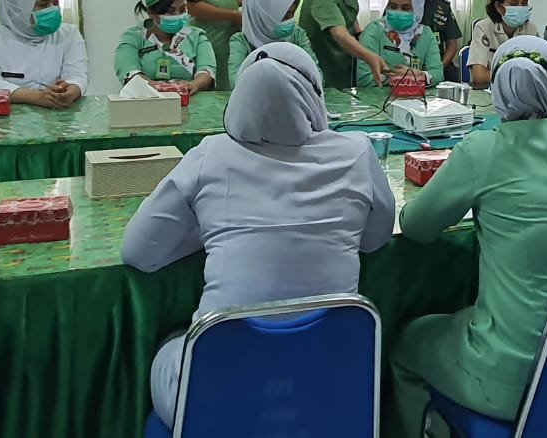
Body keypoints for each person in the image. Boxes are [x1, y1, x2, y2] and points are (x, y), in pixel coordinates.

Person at [122, 43, 395, 429]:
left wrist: (210, 227)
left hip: (224, 398)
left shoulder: (209, 155)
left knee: (173, 348)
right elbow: (376, 238)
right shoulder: (355, 153)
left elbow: (138, 252)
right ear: (314, 95)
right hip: (329, 387)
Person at [392, 36, 547, 435]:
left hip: (510, 378)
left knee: (409, 344)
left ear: (497, 92)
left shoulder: (482, 151)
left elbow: (416, 227)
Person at [0, 0, 89, 109]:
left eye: (55, 2)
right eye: (43, 5)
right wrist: (36, 97)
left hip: (57, 116)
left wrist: (70, 91)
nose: (53, 9)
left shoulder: (69, 34)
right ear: (18, 10)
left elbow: (77, 76)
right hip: (7, 118)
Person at [114, 0, 217, 93]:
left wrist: (193, 85)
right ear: (151, 13)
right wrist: (154, 86)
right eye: (171, 11)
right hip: (145, 101)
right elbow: (128, 71)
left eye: (183, 9)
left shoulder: (196, 36)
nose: (178, 15)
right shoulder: (133, 37)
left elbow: (207, 70)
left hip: (189, 100)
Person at [225, 0, 318, 90]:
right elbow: (236, 82)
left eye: (292, 14)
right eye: (285, 16)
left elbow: (315, 74)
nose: (291, 21)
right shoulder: (241, 41)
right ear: (265, 17)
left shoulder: (297, 34)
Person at [357, 0, 444, 88]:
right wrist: (404, 79)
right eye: (393, 7)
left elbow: (438, 74)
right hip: (379, 100)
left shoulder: (425, 34)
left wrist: (421, 75)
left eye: (406, 8)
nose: (398, 12)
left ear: (417, 9)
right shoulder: (374, 30)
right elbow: (364, 79)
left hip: (417, 101)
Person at [466, 0, 538, 89]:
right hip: (489, 93)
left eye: (524, 3)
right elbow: (479, 77)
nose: (520, 8)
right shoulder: (483, 27)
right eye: (514, 4)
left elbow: (540, 71)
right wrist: (520, 76)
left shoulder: (531, 29)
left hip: (523, 92)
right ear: (499, 7)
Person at [409, 0, 462, 78]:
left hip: (440, 64)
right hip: (408, 66)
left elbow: (452, 44)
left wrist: (437, 68)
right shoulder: (401, 4)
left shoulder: (443, 7)